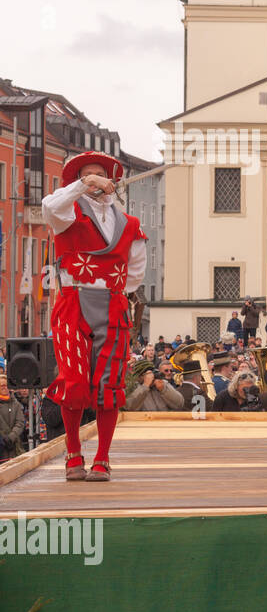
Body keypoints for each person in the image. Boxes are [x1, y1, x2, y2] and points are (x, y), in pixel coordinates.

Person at [42, 151, 148, 482]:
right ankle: (73, 453)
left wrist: (108, 285)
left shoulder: (130, 224)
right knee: (73, 381)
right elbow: (49, 206)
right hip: (73, 302)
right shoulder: (67, 213)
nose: (94, 181)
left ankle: (102, 458)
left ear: (112, 182)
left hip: (112, 303)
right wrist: (84, 184)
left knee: (109, 384)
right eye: (86, 175)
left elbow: (135, 273)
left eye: (99, 175)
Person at [0, 373, 27, 460]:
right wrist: (3, 438)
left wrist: (11, 437)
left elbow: (20, 423)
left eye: (6, 385)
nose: (4, 387)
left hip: (15, 446)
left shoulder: (16, 404)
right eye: (1, 385)